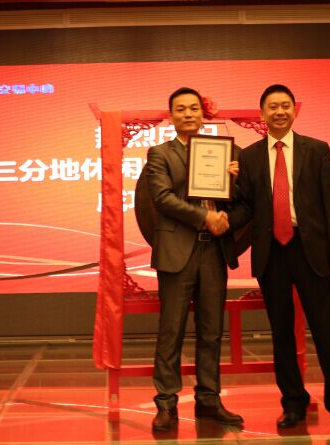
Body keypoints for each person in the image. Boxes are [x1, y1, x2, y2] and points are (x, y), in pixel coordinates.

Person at [227, 84, 330, 435]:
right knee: (282, 333)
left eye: (285, 105)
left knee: (328, 331)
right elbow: (246, 208)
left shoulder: (316, 150)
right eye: (272, 106)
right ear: (262, 114)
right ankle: (293, 404)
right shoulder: (250, 157)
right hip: (272, 252)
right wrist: (226, 192)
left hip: (310, 249)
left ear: (294, 111)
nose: (279, 111)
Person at [144, 87, 243, 432]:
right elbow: (162, 198)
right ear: (171, 116)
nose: (188, 114)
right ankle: (166, 403)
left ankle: (209, 400)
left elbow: (241, 200)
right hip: (178, 251)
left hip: (214, 251)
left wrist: (236, 180)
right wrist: (205, 217)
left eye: (194, 109)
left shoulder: (224, 152)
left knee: (211, 330)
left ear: (203, 114)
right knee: (171, 330)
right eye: (181, 109)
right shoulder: (160, 153)